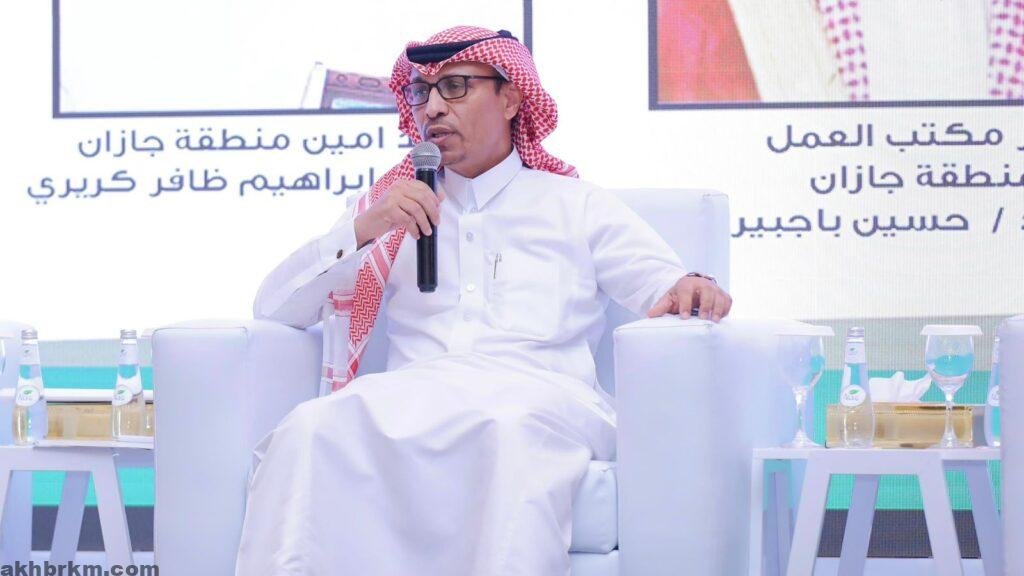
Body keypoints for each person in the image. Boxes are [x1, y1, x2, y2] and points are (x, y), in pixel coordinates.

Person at [236, 25, 732, 575]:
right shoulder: (392, 207)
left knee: (507, 428)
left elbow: (664, 284)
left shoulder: (575, 204)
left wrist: (689, 287)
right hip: (413, 392)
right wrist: (363, 228)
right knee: (309, 428)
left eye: (455, 87)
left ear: (512, 98)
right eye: (422, 92)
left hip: (542, 397)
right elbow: (275, 308)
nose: (432, 109)